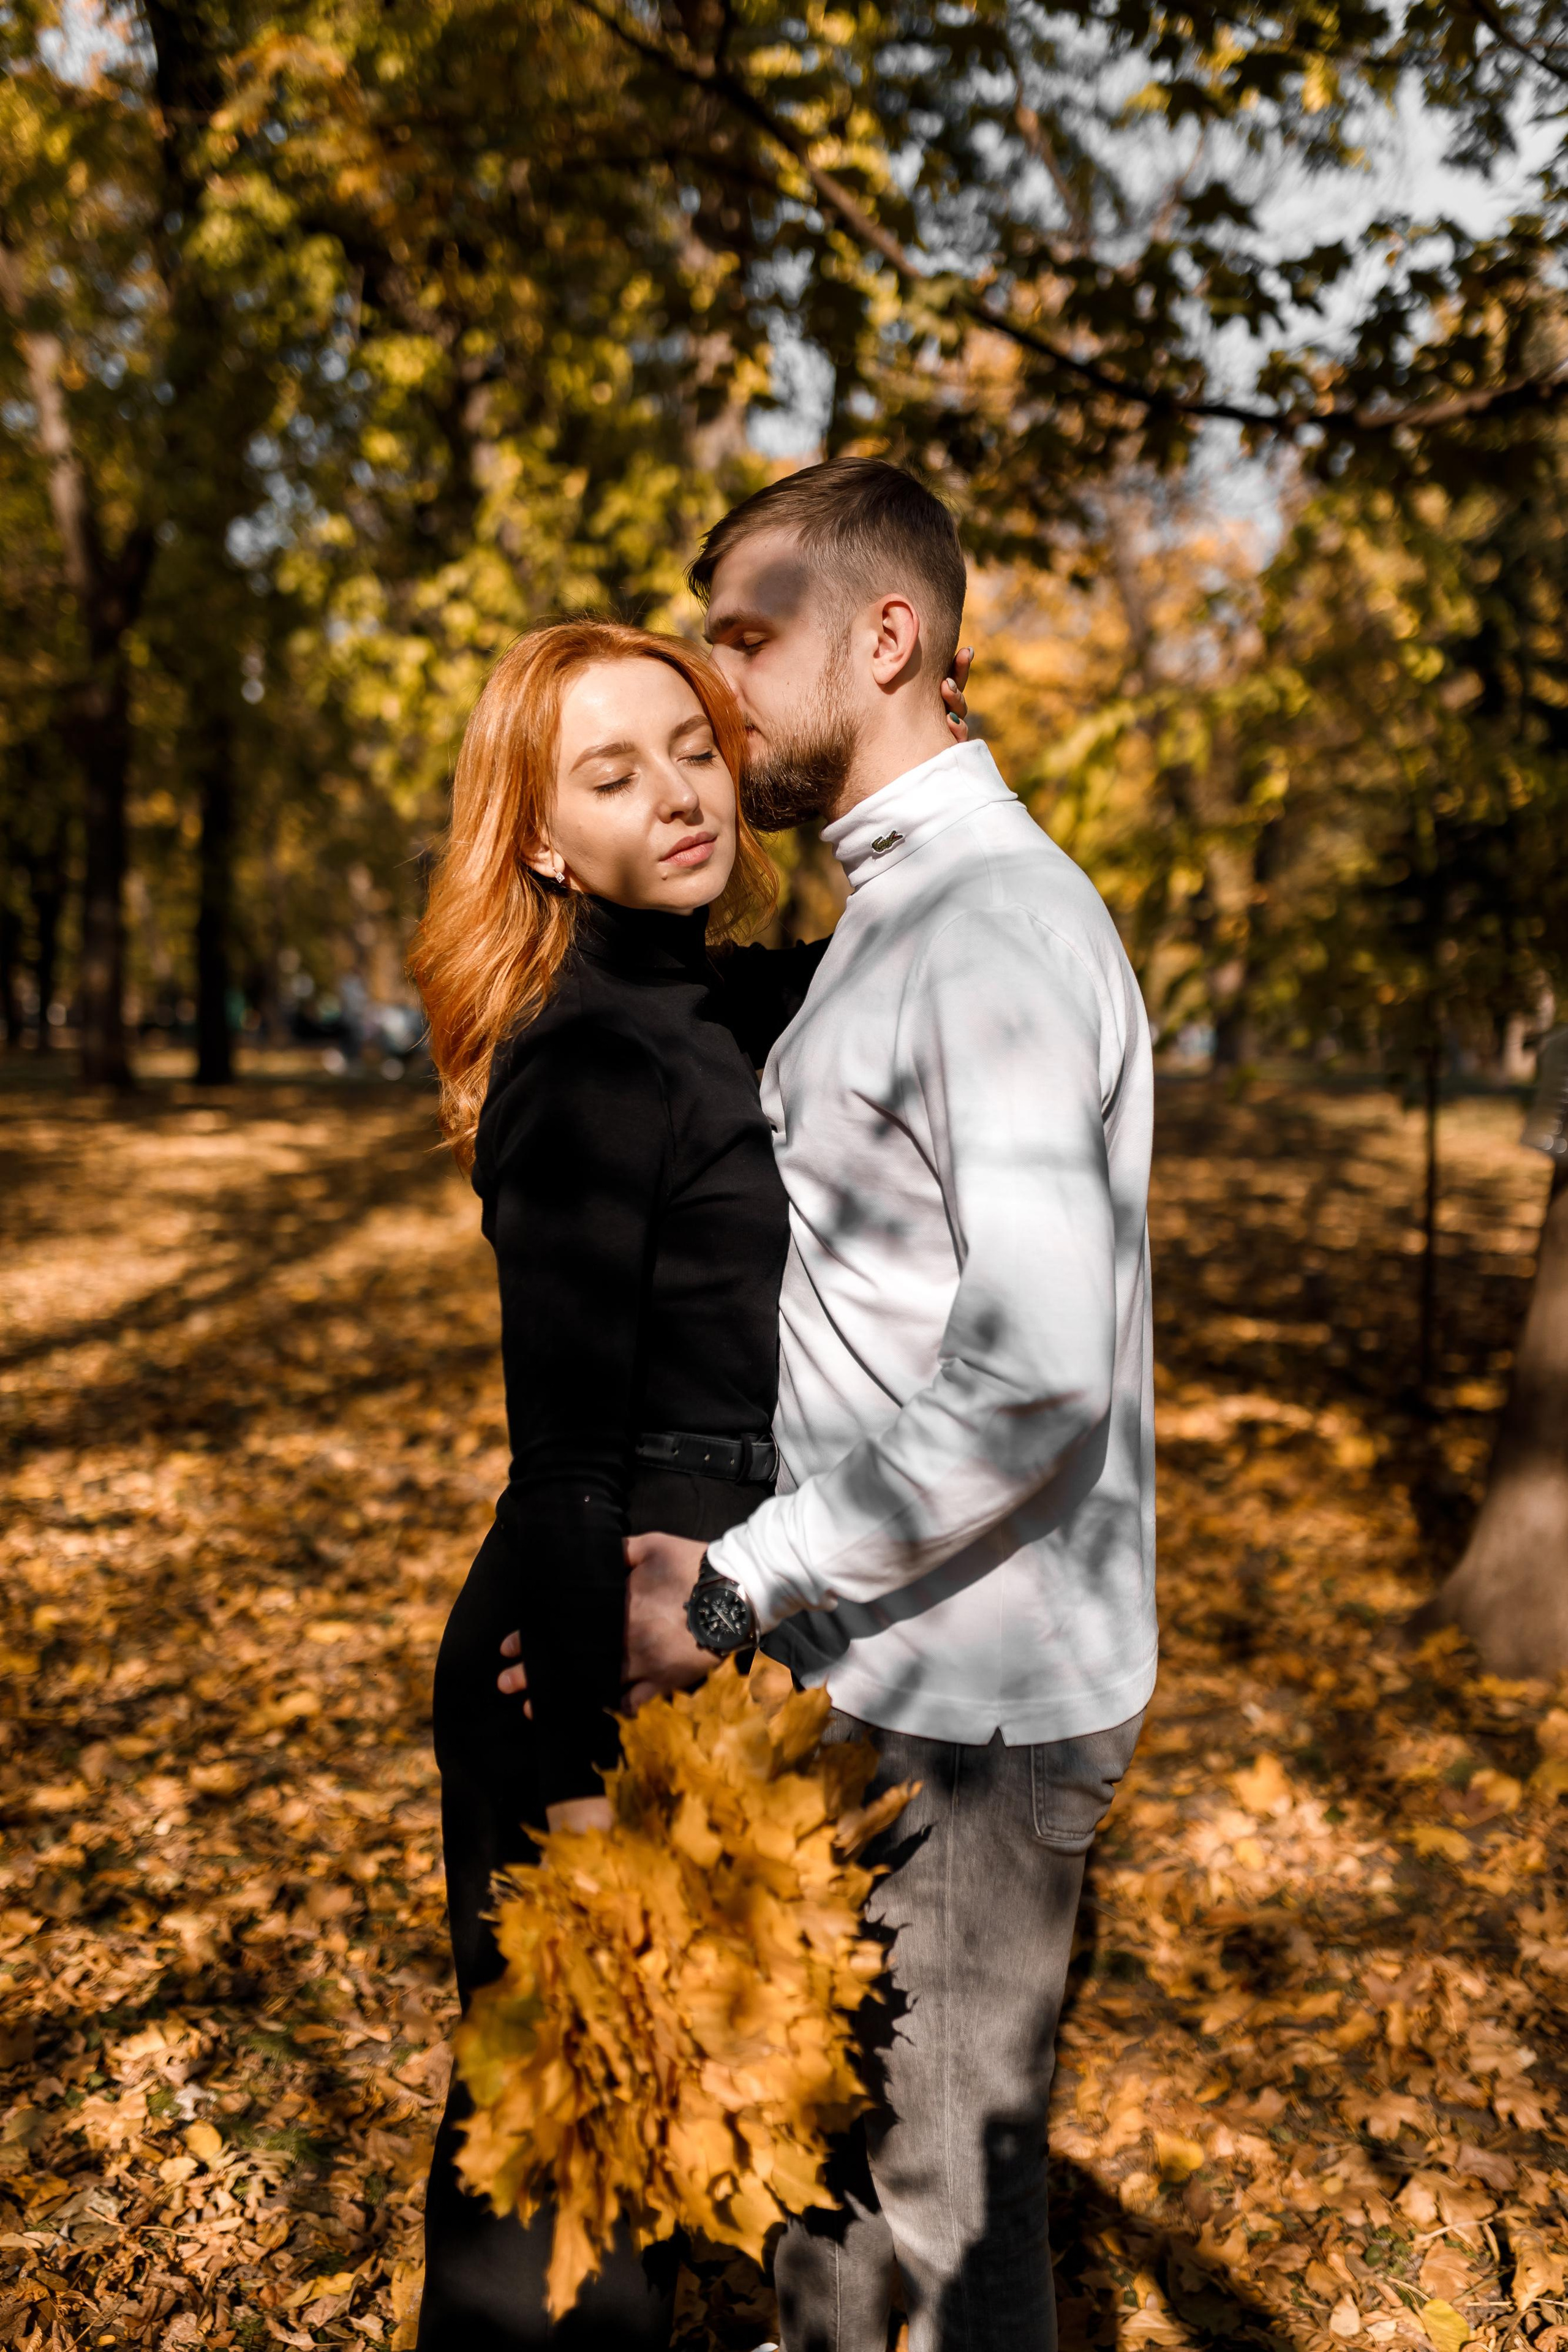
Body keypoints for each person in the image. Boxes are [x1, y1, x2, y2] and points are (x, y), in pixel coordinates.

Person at [615, 459, 1158, 2352]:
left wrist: (738, 1582)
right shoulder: (898, 910)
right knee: (852, 2209)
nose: (717, 683)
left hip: (977, 1708)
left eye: (750, 636)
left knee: (940, 2236)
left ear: (889, 635)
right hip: (890, 1665)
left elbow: (1035, 1375)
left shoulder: (993, 931)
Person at [407, 617, 824, 2350]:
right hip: (581, 1654)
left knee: (620, 2178)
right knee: (553, 2218)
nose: (676, 792)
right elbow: (564, 1456)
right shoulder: (584, 1061)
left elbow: (897, 896)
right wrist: (583, 1786)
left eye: (694, 747)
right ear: (536, 838)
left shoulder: (705, 997)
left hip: (697, 1631)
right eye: (610, 772)